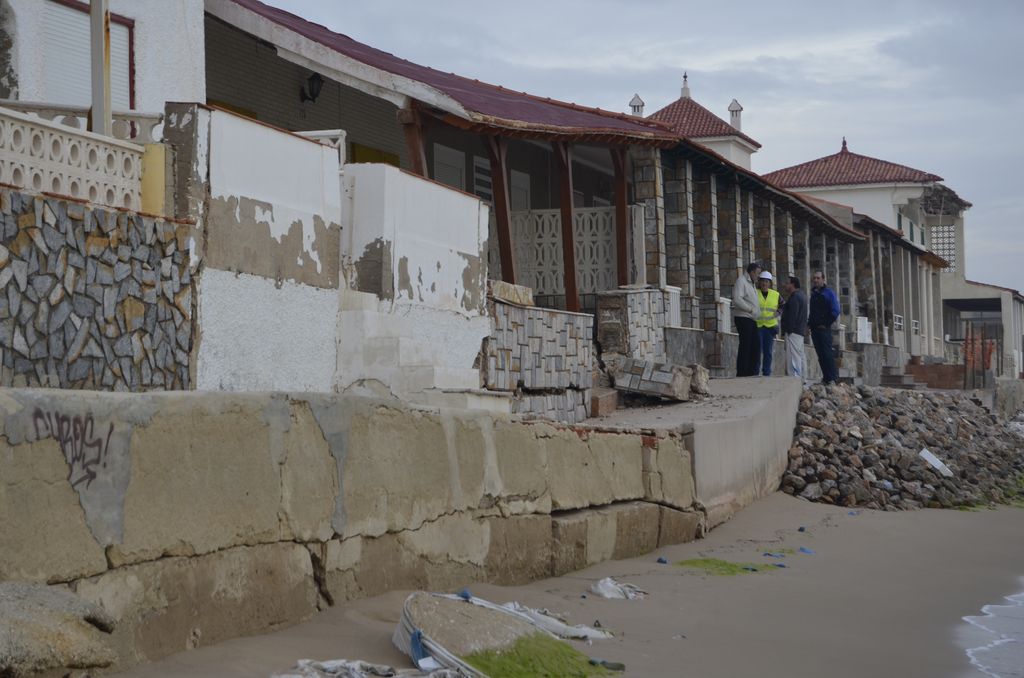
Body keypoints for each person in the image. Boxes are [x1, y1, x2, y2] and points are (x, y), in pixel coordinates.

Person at [808, 270, 841, 385]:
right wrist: (809, 325)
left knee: (827, 353)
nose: (816, 280)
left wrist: (826, 323)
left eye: (818, 278)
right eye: (814, 278)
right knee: (820, 355)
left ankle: (832, 378)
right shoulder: (814, 295)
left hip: (824, 330)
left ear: (823, 279)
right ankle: (826, 378)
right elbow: (812, 313)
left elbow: (835, 310)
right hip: (814, 329)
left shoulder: (829, 293)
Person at [732, 262, 762, 377]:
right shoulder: (742, 281)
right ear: (752, 272)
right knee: (746, 345)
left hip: (751, 319)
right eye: (757, 273)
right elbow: (737, 299)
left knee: (755, 345)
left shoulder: (751, 283)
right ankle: (742, 372)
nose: (758, 276)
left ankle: (752, 372)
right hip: (743, 317)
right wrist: (750, 309)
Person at [780, 275, 808, 381]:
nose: (785, 285)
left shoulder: (795, 297)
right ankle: (803, 379)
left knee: (793, 357)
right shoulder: (802, 296)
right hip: (799, 331)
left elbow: (792, 316)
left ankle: (794, 381)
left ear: (793, 284)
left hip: (793, 332)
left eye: (787, 283)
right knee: (800, 356)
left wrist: (788, 331)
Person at [755, 271, 781, 376]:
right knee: (757, 351)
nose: (764, 283)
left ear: (770, 283)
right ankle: (755, 372)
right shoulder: (755, 293)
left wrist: (778, 312)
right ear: (759, 282)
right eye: (762, 281)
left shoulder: (776, 294)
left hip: (770, 327)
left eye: (766, 281)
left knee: (768, 352)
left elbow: (783, 305)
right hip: (758, 326)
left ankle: (766, 373)